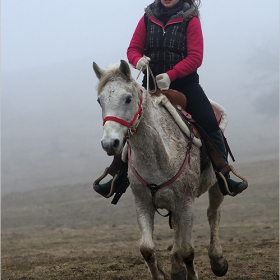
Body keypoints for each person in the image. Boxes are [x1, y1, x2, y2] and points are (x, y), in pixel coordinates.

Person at [94, 0, 248, 200]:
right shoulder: (148, 18)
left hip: (186, 85)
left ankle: (224, 175)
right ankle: (117, 175)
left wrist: (171, 75)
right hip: (152, 85)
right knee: (130, 121)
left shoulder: (191, 20)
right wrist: (137, 60)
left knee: (209, 121)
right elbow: (133, 48)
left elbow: (195, 57)